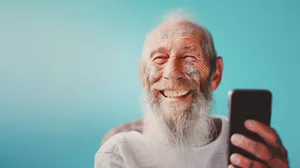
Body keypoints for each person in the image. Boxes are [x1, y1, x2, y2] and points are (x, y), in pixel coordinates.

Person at [95, 11, 289, 168]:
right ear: (142, 74)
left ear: (216, 73)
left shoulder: (250, 146)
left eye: (189, 58)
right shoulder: (120, 148)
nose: (172, 73)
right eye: (159, 59)